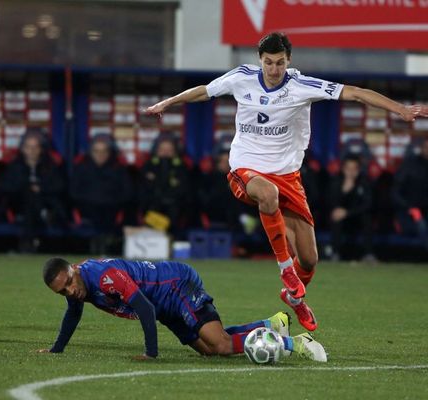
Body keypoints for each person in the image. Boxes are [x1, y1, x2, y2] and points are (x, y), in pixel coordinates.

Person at [145, 32, 428, 331]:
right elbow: (203, 91)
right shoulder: (241, 77)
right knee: (267, 195)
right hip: (245, 170)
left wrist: (400, 110)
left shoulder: (301, 86)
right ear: (260, 61)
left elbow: (355, 92)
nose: (274, 69)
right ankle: (285, 271)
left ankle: (294, 298)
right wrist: (168, 102)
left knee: (309, 259)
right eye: (268, 62)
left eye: (280, 62)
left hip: (288, 178)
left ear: (288, 61)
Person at [38, 257, 327, 361]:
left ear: (74, 269)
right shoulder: (79, 288)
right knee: (209, 350)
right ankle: (272, 323)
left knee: (222, 345)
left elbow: (145, 309)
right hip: (164, 307)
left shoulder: (104, 276)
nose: (70, 292)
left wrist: (151, 353)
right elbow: (73, 313)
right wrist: (57, 349)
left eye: (69, 284)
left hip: (177, 285)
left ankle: (295, 343)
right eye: (62, 291)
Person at [327, 155, 374, 261]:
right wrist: (345, 190)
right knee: (336, 216)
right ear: (343, 169)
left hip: (356, 218)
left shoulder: (364, 182)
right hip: (342, 220)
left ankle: (368, 254)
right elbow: (331, 203)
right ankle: (335, 253)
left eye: (354, 169)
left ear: (358, 170)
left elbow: (367, 204)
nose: (351, 172)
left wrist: (348, 213)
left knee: (367, 218)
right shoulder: (336, 181)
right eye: (348, 168)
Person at [392, 138, 428, 250]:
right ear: (421, 149)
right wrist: (409, 207)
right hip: (410, 212)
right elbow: (394, 193)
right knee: (421, 224)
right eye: (427, 147)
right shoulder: (409, 166)